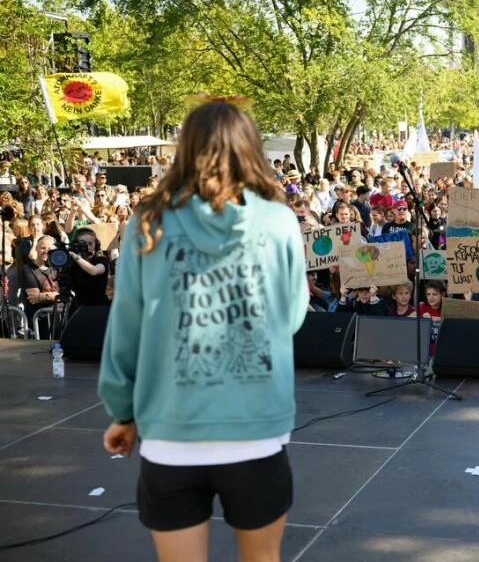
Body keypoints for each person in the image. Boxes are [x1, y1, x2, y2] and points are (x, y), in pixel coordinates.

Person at [98, 102, 308, 562]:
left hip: (171, 430)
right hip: (256, 427)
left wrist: (123, 411)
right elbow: (292, 315)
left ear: (185, 150)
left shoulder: (147, 223)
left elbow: (126, 325)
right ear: (250, 149)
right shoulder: (278, 221)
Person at [68, 227, 110, 309]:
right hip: (78, 306)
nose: (87, 246)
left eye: (90, 244)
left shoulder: (101, 259)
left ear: (96, 245)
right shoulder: (73, 261)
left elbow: (94, 271)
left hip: (98, 307)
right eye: (83, 244)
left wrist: (77, 258)